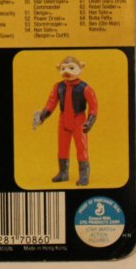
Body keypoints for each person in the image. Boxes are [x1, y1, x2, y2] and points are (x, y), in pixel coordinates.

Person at [32, 55, 98, 186]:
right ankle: (63, 173)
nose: (66, 71)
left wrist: (90, 121)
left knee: (81, 147)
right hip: (63, 120)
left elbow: (94, 106)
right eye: (63, 68)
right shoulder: (58, 87)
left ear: (81, 68)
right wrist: (42, 117)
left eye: (71, 68)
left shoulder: (86, 88)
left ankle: (84, 175)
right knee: (62, 147)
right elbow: (51, 103)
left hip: (79, 120)